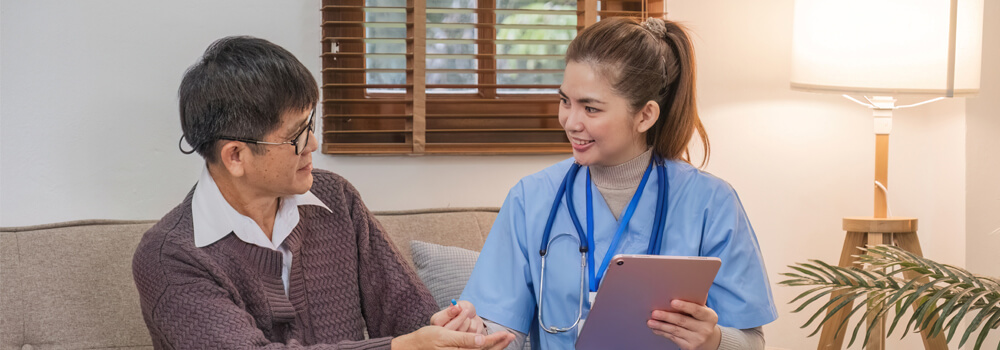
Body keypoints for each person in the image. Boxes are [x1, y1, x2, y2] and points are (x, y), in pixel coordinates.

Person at [131, 36, 514, 350]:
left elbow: (405, 308)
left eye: (310, 123)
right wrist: (403, 347)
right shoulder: (169, 257)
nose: (313, 143)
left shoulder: (335, 198)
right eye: (296, 135)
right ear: (235, 156)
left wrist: (444, 328)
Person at [444, 17, 778, 349]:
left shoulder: (711, 203)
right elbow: (501, 331)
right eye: (565, 101)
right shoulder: (531, 199)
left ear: (645, 115)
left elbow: (751, 340)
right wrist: (474, 332)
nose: (571, 122)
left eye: (590, 108)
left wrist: (713, 340)